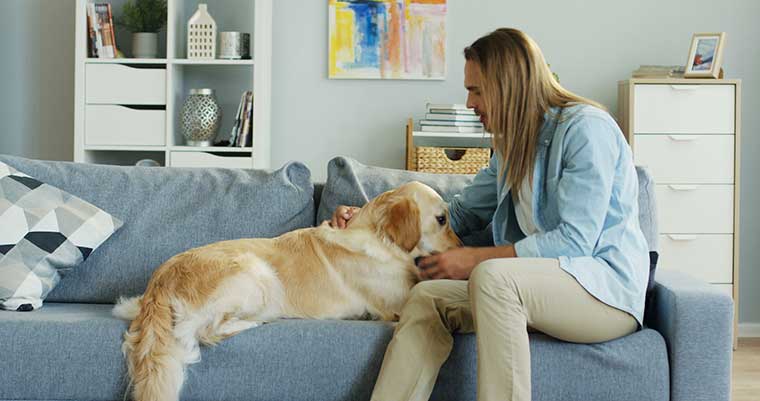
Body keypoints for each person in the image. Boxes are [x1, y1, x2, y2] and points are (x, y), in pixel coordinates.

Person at [330, 28, 649, 401]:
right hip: (532, 290)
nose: (469, 103)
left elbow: (576, 242)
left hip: (604, 293)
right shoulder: (511, 148)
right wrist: (368, 217)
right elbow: (458, 215)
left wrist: (472, 260)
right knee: (429, 296)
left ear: (509, 85)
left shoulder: (585, 130)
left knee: (493, 277)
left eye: (476, 90)